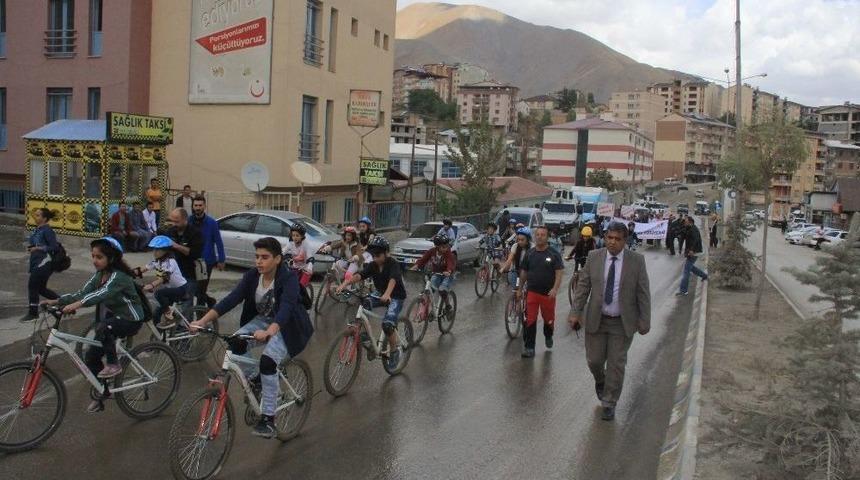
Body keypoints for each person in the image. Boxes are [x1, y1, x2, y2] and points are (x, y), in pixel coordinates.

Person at [190, 237, 313, 438]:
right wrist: (202, 321)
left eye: (264, 257)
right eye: (257, 257)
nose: (259, 262)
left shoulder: (288, 278)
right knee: (233, 346)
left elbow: (287, 307)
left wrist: (271, 331)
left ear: (277, 259)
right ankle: (257, 380)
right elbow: (230, 300)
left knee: (267, 362)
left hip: (288, 326)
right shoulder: (252, 276)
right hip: (263, 322)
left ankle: (269, 418)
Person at [45, 237, 145, 412]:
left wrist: (78, 305)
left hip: (132, 319)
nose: (94, 260)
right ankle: (103, 391)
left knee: (104, 326)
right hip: (117, 318)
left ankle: (114, 364)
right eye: (93, 256)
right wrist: (57, 301)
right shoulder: (100, 275)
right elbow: (82, 293)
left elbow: (101, 294)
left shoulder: (119, 277)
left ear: (111, 258)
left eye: (99, 257)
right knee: (91, 357)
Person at [569, 221, 652, 421]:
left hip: (622, 323)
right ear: (605, 238)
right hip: (597, 319)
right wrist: (575, 311)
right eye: (609, 238)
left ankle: (609, 402)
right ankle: (600, 379)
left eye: (617, 239)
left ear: (625, 241)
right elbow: (583, 287)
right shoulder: (594, 257)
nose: (613, 242)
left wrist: (644, 320)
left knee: (616, 364)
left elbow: (643, 293)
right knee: (595, 361)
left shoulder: (636, 261)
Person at [336, 236, 407, 370]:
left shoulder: (393, 264)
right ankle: (364, 334)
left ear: (386, 253)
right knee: (366, 302)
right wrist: (345, 284)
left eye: (378, 255)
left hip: (395, 296)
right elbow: (360, 275)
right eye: (373, 255)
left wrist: (387, 294)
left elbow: (393, 279)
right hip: (381, 293)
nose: (375, 258)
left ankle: (394, 351)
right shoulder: (373, 265)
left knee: (387, 324)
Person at [516, 226, 564, 358]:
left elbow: (559, 272)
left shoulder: (553, 254)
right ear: (534, 236)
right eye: (537, 234)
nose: (540, 237)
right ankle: (529, 347)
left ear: (547, 237)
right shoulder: (530, 253)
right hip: (532, 292)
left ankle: (548, 335)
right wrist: (520, 289)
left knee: (548, 319)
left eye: (543, 235)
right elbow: (524, 272)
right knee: (530, 320)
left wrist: (555, 289)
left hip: (548, 295)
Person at [138, 235, 188, 329]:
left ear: (166, 251)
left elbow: (165, 278)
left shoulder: (170, 262)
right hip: (171, 289)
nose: (155, 252)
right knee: (156, 313)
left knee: (159, 294)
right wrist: (127, 273)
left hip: (181, 289)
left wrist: (151, 285)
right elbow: (141, 270)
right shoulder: (157, 262)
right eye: (154, 249)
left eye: (158, 250)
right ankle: (160, 338)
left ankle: (170, 317)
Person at [22, 208, 60, 321]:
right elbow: (34, 243)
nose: (35, 217)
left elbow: (54, 247)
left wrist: (38, 248)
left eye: (38, 215)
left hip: (44, 263)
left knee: (32, 286)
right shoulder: (37, 230)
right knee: (41, 289)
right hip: (36, 263)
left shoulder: (47, 230)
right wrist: (31, 247)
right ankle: (63, 302)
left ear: (44, 218)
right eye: (35, 215)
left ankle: (33, 313)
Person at [190, 195, 225, 308]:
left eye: (200, 205)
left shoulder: (212, 223)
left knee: (200, 291)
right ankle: (209, 301)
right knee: (190, 288)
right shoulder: (188, 221)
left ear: (204, 206)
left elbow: (218, 242)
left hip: (205, 262)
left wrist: (221, 259)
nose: (198, 208)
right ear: (193, 206)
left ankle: (200, 318)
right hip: (190, 260)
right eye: (196, 205)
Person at [162, 208, 203, 299]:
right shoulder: (170, 231)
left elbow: (195, 253)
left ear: (185, 219)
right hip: (172, 274)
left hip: (189, 275)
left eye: (177, 221)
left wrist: (176, 246)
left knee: (186, 305)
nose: (174, 224)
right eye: (172, 221)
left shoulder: (195, 233)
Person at [410, 234, 456, 313]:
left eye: (447, 246)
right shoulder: (432, 251)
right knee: (430, 290)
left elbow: (450, 263)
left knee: (442, 290)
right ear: (437, 247)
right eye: (443, 247)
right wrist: (416, 266)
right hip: (437, 274)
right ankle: (431, 309)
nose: (446, 248)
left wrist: (448, 271)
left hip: (447, 275)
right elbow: (423, 259)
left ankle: (448, 306)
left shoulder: (448, 253)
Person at [677, 216, 708, 296]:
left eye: (686, 221)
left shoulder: (694, 229)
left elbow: (695, 240)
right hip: (691, 251)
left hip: (694, 252)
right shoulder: (688, 228)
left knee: (686, 271)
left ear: (690, 222)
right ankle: (704, 276)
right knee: (691, 267)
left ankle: (683, 291)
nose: (685, 222)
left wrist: (691, 250)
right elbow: (682, 234)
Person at [284, 224, 314, 288]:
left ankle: (304, 297)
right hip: (295, 267)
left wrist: (309, 267)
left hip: (305, 269)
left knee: (301, 288)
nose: (295, 237)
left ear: (302, 236)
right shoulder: (290, 243)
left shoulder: (305, 244)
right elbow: (282, 252)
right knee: (290, 285)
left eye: (297, 235)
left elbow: (311, 258)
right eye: (293, 235)